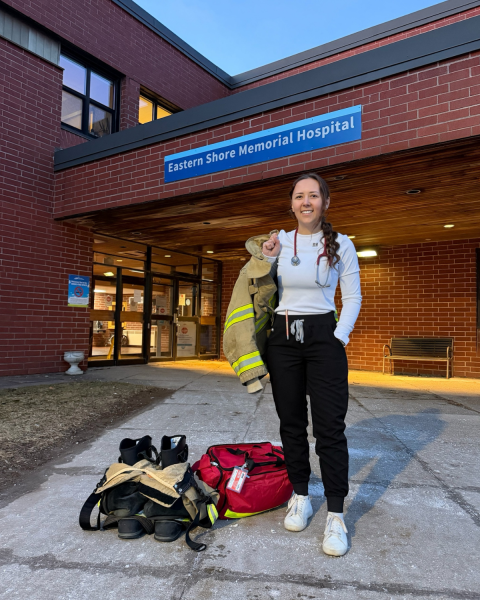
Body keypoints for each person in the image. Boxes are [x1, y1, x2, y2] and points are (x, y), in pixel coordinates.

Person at [262, 172, 362, 556]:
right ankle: (301, 495)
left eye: (313, 196)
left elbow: (352, 297)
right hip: (282, 339)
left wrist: (339, 336)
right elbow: (259, 286)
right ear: (291, 203)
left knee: (330, 429)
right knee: (291, 423)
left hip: (324, 338)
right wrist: (266, 257)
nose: (306, 202)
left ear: (325, 202)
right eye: (299, 196)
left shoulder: (342, 245)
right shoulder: (279, 242)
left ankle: (335, 514)